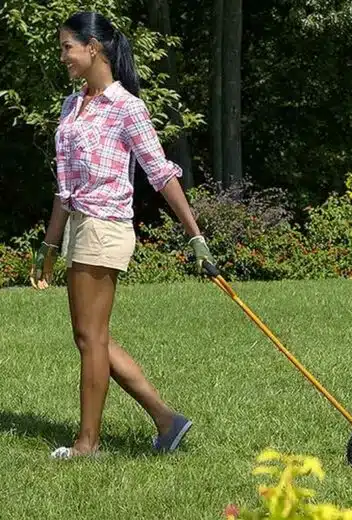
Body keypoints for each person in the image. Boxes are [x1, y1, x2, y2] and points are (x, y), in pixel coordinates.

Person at [29, 11, 215, 459]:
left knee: (91, 338)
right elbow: (65, 186)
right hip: (79, 226)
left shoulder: (126, 106)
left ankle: (88, 444)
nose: (63, 57)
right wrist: (50, 247)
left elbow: (161, 173)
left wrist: (195, 236)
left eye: (67, 47)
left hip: (106, 226)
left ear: (93, 48)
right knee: (91, 337)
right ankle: (167, 421)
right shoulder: (72, 106)